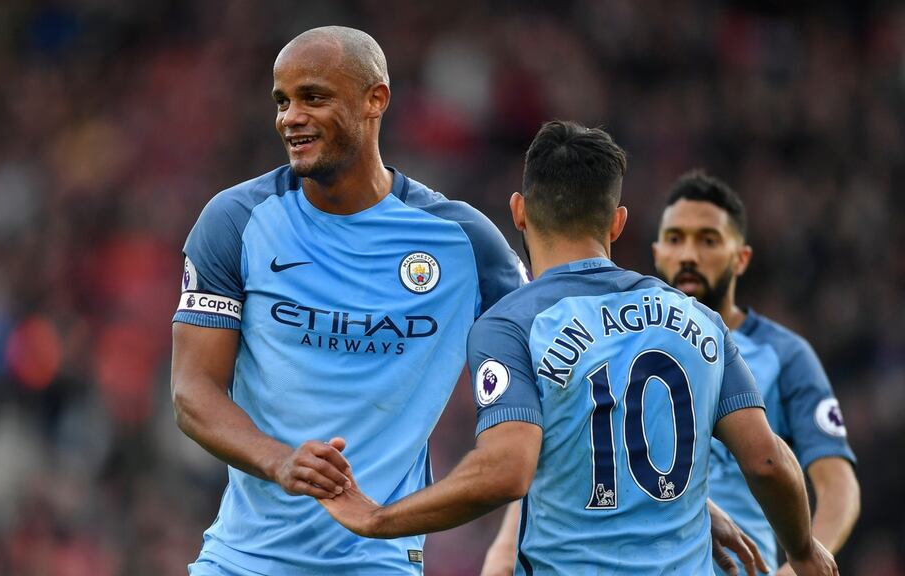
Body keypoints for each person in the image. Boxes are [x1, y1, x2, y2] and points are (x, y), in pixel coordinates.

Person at [319, 120, 838, 575]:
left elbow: (505, 470)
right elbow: (767, 461)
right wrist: (804, 550)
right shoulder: (699, 319)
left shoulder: (512, 324)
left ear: (519, 212)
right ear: (617, 222)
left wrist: (378, 517)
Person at [169, 26, 526, 575]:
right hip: (242, 559)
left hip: (378, 560)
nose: (290, 117)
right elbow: (192, 391)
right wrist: (279, 460)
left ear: (375, 99)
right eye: (282, 101)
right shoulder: (236, 222)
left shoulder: (463, 244)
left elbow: (552, 384)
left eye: (313, 97)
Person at [652, 171, 860, 575]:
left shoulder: (784, 355)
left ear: (740, 258)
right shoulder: (622, 348)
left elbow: (837, 482)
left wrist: (801, 561)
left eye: (708, 240)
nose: (689, 254)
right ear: (657, 252)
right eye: (675, 239)